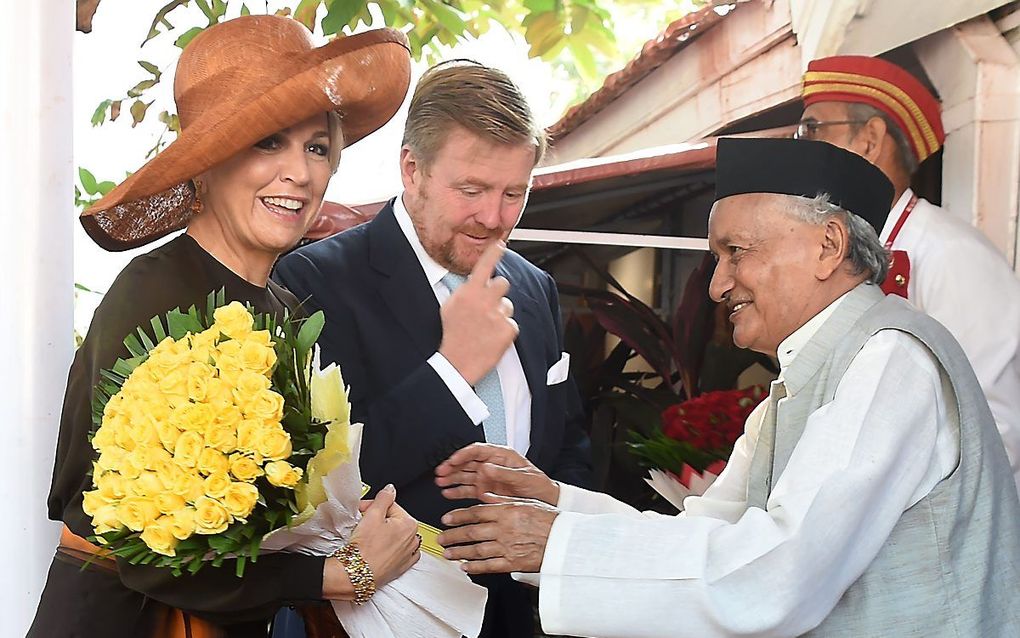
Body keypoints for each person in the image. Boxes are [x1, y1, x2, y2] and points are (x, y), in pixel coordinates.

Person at [434, 138, 1020, 637]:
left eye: (735, 252)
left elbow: (780, 573)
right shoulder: (816, 372)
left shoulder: (889, 360)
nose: (717, 286)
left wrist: (558, 544)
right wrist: (554, 503)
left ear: (829, 247)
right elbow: (707, 534)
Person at [31, 15, 419, 638]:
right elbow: (126, 533)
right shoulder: (156, 293)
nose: (300, 172)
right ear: (207, 164)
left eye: (317, 147)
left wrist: (348, 523)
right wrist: (336, 577)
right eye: (269, 141)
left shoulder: (287, 310)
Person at [273, 60, 593, 637]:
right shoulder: (311, 281)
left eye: (514, 193)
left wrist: (550, 524)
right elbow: (316, 487)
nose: (494, 218)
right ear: (411, 169)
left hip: (528, 617)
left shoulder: (535, 286)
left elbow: (571, 443)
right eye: (471, 189)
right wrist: (453, 372)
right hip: (378, 615)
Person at [797, 54, 1020, 496]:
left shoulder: (952, 254)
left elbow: (995, 428)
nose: (800, 146)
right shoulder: (844, 249)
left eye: (812, 129)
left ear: (870, 139)